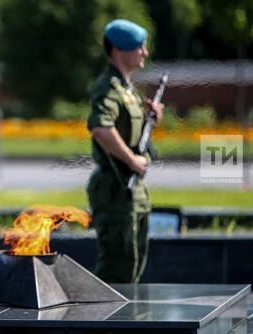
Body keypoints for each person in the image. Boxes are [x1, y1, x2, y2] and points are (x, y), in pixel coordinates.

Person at [86, 19, 164, 284]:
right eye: (139, 47)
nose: (145, 52)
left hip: (132, 189)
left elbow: (126, 131)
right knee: (116, 270)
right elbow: (100, 128)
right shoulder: (108, 86)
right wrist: (131, 160)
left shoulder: (125, 88)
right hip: (115, 187)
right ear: (119, 50)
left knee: (132, 265)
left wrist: (150, 118)